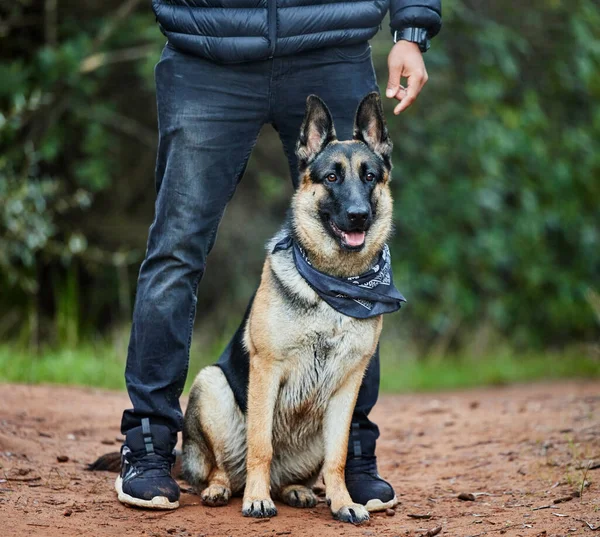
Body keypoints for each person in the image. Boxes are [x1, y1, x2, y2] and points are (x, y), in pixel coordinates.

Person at [117, 0, 442, 511]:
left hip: (331, 36)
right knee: (175, 250)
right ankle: (150, 448)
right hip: (208, 46)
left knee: (360, 245)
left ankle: (351, 457)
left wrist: (412, 27)